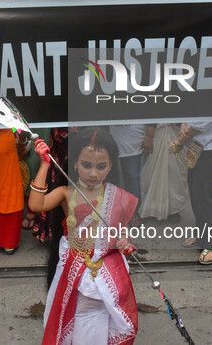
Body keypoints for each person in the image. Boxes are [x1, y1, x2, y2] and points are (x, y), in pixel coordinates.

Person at [29, 128, 138, 344]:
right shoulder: (65, 193)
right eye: (87, 165)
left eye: (101, 166)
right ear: (75, 163)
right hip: (72, 270)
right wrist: (43, 165)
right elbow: (35, 204)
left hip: (105, 276)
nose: (94, 173)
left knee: (99, 321)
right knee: (72, 318)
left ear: (111, 166)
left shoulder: (116, 196)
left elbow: (121, 231)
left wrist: (123, 241)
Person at [175, 119, 212, 265]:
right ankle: (200, 234)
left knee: (205, 194)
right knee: (195, 192)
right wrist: (183, 124)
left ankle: (210, 244)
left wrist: (182, 138)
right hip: (196, 144)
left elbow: (205, 121)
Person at [139, 124, 188, 222]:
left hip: (177, 135)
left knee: (175, 174)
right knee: (154, 170)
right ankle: (153, 208)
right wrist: (149, 138)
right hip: (158, 135)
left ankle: (173, 210)